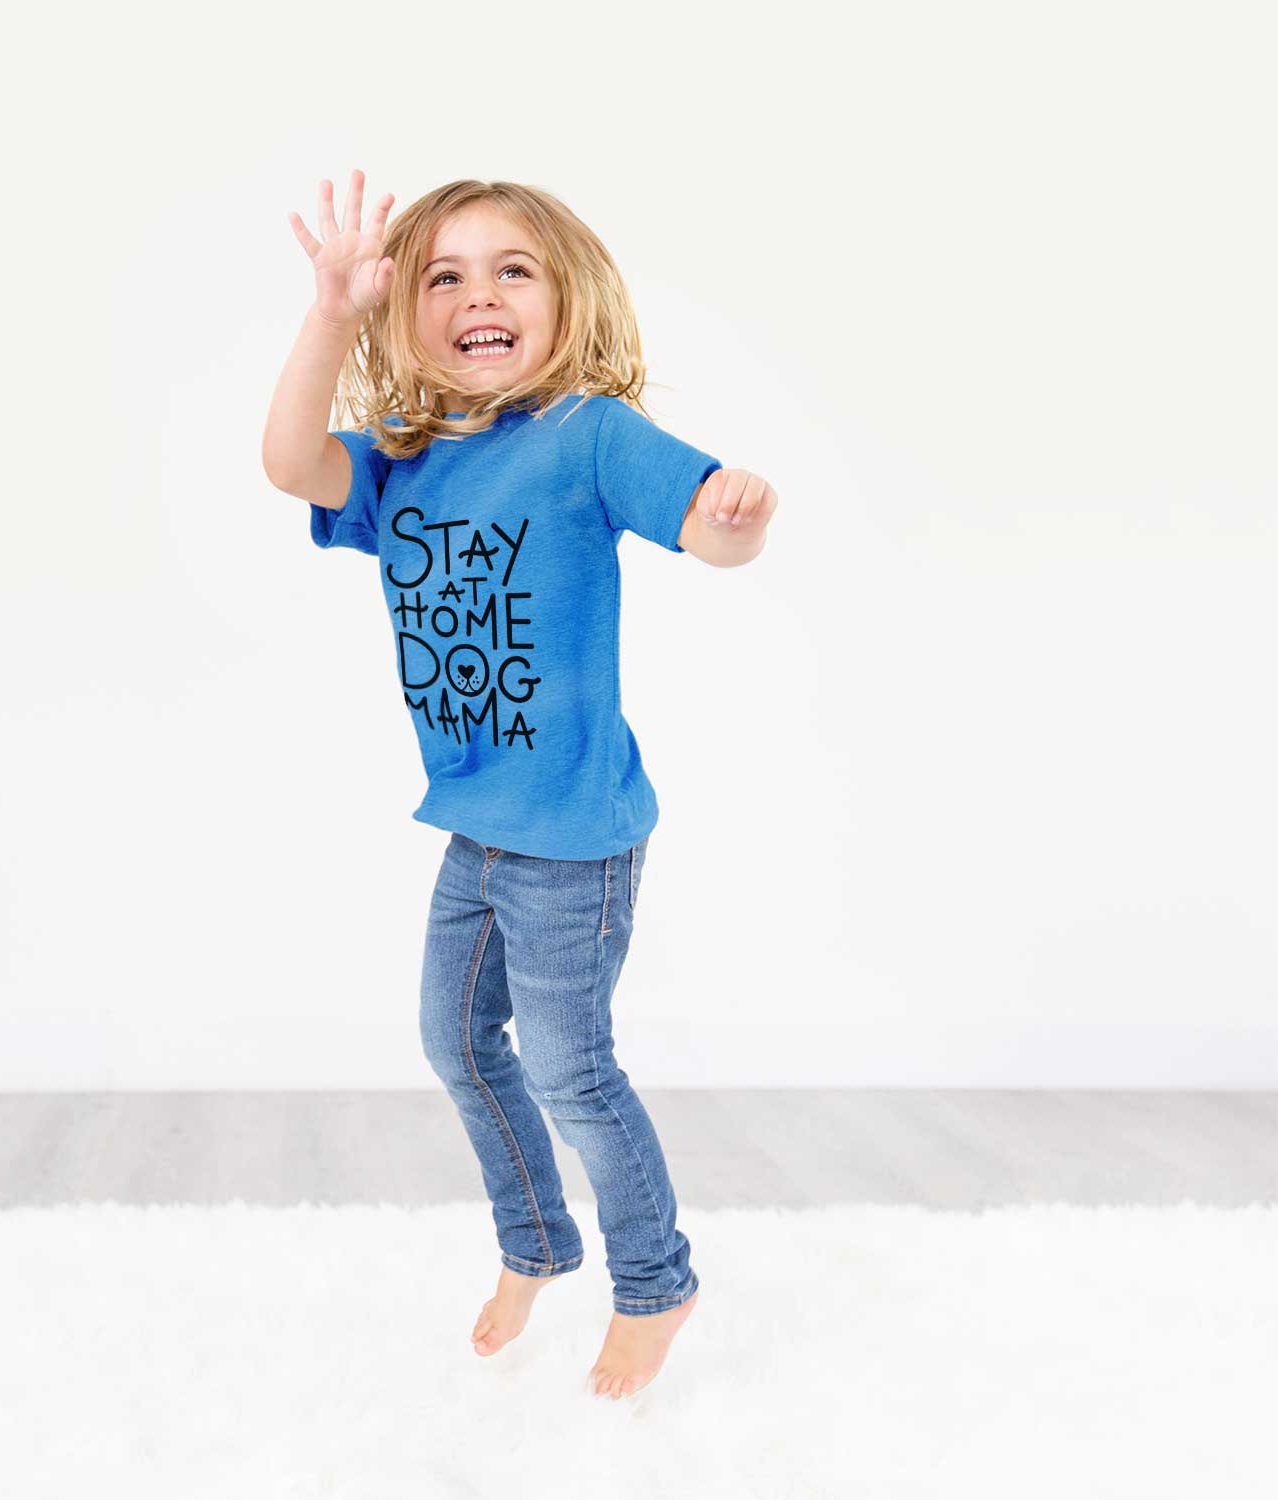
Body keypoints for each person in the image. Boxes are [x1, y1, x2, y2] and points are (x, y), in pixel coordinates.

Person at [261, 169, 776, 1401]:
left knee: (569, 1069)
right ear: (403, 314)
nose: (478, 296)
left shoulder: (587, 434)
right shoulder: (405, 459)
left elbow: (710, 531)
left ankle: (655, 1281)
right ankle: (536, 1243)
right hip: (478, 826)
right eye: (443, 276)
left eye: (512, 271)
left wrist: (738, 517)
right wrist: (329, 313)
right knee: (455, 1041)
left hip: (574, 835)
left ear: (566, 299)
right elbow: (288, 464)